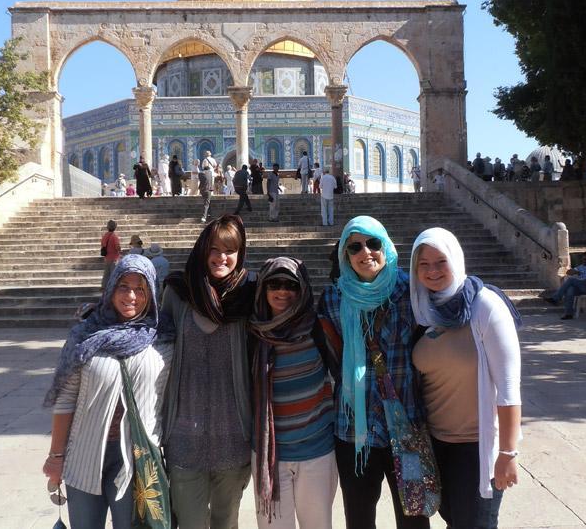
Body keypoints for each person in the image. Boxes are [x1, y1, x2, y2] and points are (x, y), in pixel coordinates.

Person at [42, 254, 174, 529]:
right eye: (123, 286)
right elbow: (66, 400)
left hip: (137, 460)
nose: (131, 296)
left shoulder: (164, 339)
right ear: (111, 288)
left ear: (151, 291)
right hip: (84, 457)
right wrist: (56, 457)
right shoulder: (86, 335)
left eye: (140, 289)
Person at [317, 216, 428, 529]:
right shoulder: (333, 297)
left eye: (373, 243)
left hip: (406, 426)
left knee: (414, 516)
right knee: (359, 517)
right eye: (355, 246)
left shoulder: (411, 292)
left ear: (386, 245)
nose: (365, 252)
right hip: (354, 430)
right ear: (345, 254)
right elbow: (331, 356)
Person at [410, 227, 522, 529]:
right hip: (434, 444)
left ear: (456, 260)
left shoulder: (484, 305)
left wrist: (508, 453)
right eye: (424, 264)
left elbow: (509, 388)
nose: (432, 271)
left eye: (441, 261)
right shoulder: (421, 309)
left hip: (475, 446)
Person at [160, 215, 257, 529]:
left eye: (230, 250)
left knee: (226, 521)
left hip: (233, 435)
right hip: (184, 437)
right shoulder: (178, 292)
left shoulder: (250, 294)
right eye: (214, 249)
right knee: (189, 522)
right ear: (203, 250)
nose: (222, 257)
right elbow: (153, 339)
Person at [248, 257, 337, 529]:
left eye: (291, 284)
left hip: (317, 451)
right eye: (274, 283)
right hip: (270, 456)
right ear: (263, 288)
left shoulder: (317, 327)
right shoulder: (252, 333)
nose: (282, 291)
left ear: (302, 289)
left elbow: (343, 370)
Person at [545, 251, 586, 319]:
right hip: (582, 286)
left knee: (571, 280)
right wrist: (575, 271)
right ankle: (569, 314)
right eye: (585, 259)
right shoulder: (580, 267)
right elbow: (568, 272)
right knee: (570, 290)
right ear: (582, 260)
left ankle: (556, 298)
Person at [100, 219, 121, 292]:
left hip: (107, 257)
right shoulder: (114, 236)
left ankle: (104, 287)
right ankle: (112, 288)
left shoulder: (105, 235)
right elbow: (117, 247)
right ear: (115, 227)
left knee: (106, 273)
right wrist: (120, 251)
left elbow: (102, 245)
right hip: (114, 258)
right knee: (113, 274)